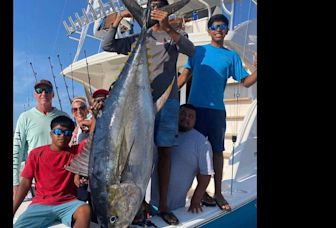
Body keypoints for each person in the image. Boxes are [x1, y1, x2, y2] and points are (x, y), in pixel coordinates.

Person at [102, 0, 195, 225]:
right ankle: (137, 204)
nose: (154, 10)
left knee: (164, 153)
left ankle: (162, 206)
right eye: (150, 7)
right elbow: (107, 45)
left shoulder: (173, 37)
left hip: (167, 103)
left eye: (159, 6)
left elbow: (191, 50)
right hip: (136, 106)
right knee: (135, 156)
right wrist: (118, 20)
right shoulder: (137, 39)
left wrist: (169, 27)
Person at [178, 14, 257, 211]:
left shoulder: (231, 56)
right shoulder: (198, 52)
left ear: (226, 30)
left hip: (216, 112)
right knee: (192, 152)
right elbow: (184, 76)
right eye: (214, 26)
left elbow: (245, 82)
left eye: (222, 26)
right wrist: (166, 95)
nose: (218, 29)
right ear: (209, 30)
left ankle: (218, 192)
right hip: (194, 111)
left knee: (217, 152)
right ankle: (199, 190)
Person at [13, 115, 91, 227]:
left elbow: (95, 137)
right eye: (58, 131)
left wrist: (90, 122)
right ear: (51, 133)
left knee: (85, 209)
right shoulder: (36, 154)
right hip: (40, 205)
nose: (62, 136)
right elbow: (25, 184)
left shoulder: (75, 152)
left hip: (68, 203)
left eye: (68, 133)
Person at [150, 104, 214, 213]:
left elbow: (206, 173)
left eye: (191, 116)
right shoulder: (162, 133)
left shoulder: (202, 142)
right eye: (183, 114)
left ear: (195, 120)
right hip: (152, 204)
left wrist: (195, 200)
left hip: (177, 208)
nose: (186, 118)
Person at [13, 79, 69, 200]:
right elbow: (17, 151)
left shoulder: (64, 116)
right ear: (35, 94)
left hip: (62, 181)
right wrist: (15, 183)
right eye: (39, 90)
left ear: (53, 94)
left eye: (47, 90)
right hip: (36, 182)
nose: (43, 93)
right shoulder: (24, 118)